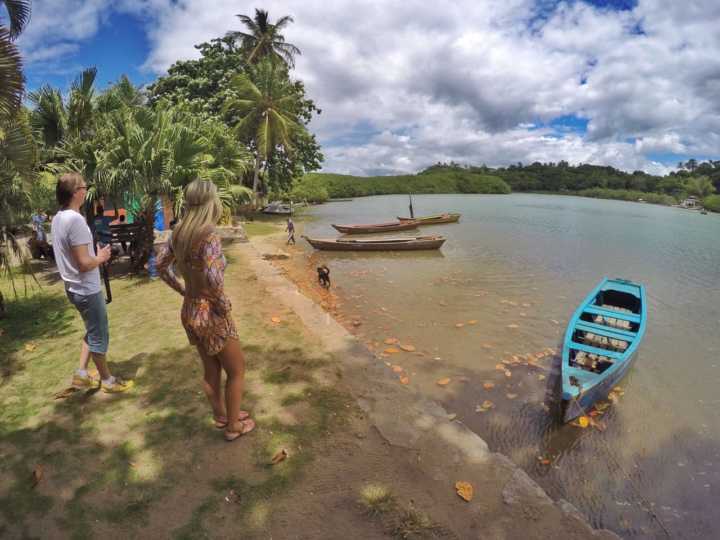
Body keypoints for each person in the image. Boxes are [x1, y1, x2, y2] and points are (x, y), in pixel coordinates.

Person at [157, 180, 254, 441]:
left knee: (211, 370)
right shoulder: (208, 234)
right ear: (211, 202)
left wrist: (180, 289)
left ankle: (223, 416)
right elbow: (213, 278)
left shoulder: (178, 232)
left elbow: (159, 265)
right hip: (210, 312)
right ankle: (233, 427)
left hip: (190, 309)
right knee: (236, 370)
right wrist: (222, 304)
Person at [51, 172, 132, 393]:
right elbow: (84, 264)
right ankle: (107, 380)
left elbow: (76, 255)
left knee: (92, 329)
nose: (86, 190)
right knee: (99, 334)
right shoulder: (75, 220)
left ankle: (81, 373)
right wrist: (101, 258)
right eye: (84, 187)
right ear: (76, 193)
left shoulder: (58, 218)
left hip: (74, 287)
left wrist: (93, 255)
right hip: (86, 289)